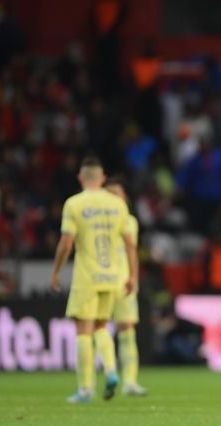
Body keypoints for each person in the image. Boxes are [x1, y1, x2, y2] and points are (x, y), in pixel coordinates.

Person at [51, 157, 137, 403]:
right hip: (111, 277)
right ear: (101, 178)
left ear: (80, 178)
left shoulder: (74, 204)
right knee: (101, 326)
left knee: (83, 331)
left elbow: (66, 243)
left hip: (87, 276)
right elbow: (130, 244)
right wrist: (131, 275)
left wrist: (56, 270)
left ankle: (85, 389)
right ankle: (111, 370)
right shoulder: (117, 205)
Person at [104, 176, 148, 395]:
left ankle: (129, 381)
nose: (113, 199)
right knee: (97, 329)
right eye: (109, 194)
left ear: (125, 198)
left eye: (117, 194)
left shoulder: (130, 221)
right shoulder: (98, 222)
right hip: (100, 280)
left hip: (124, 281)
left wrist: (134, 278)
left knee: (127, 329)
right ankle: (106, 375)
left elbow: (132, 252)